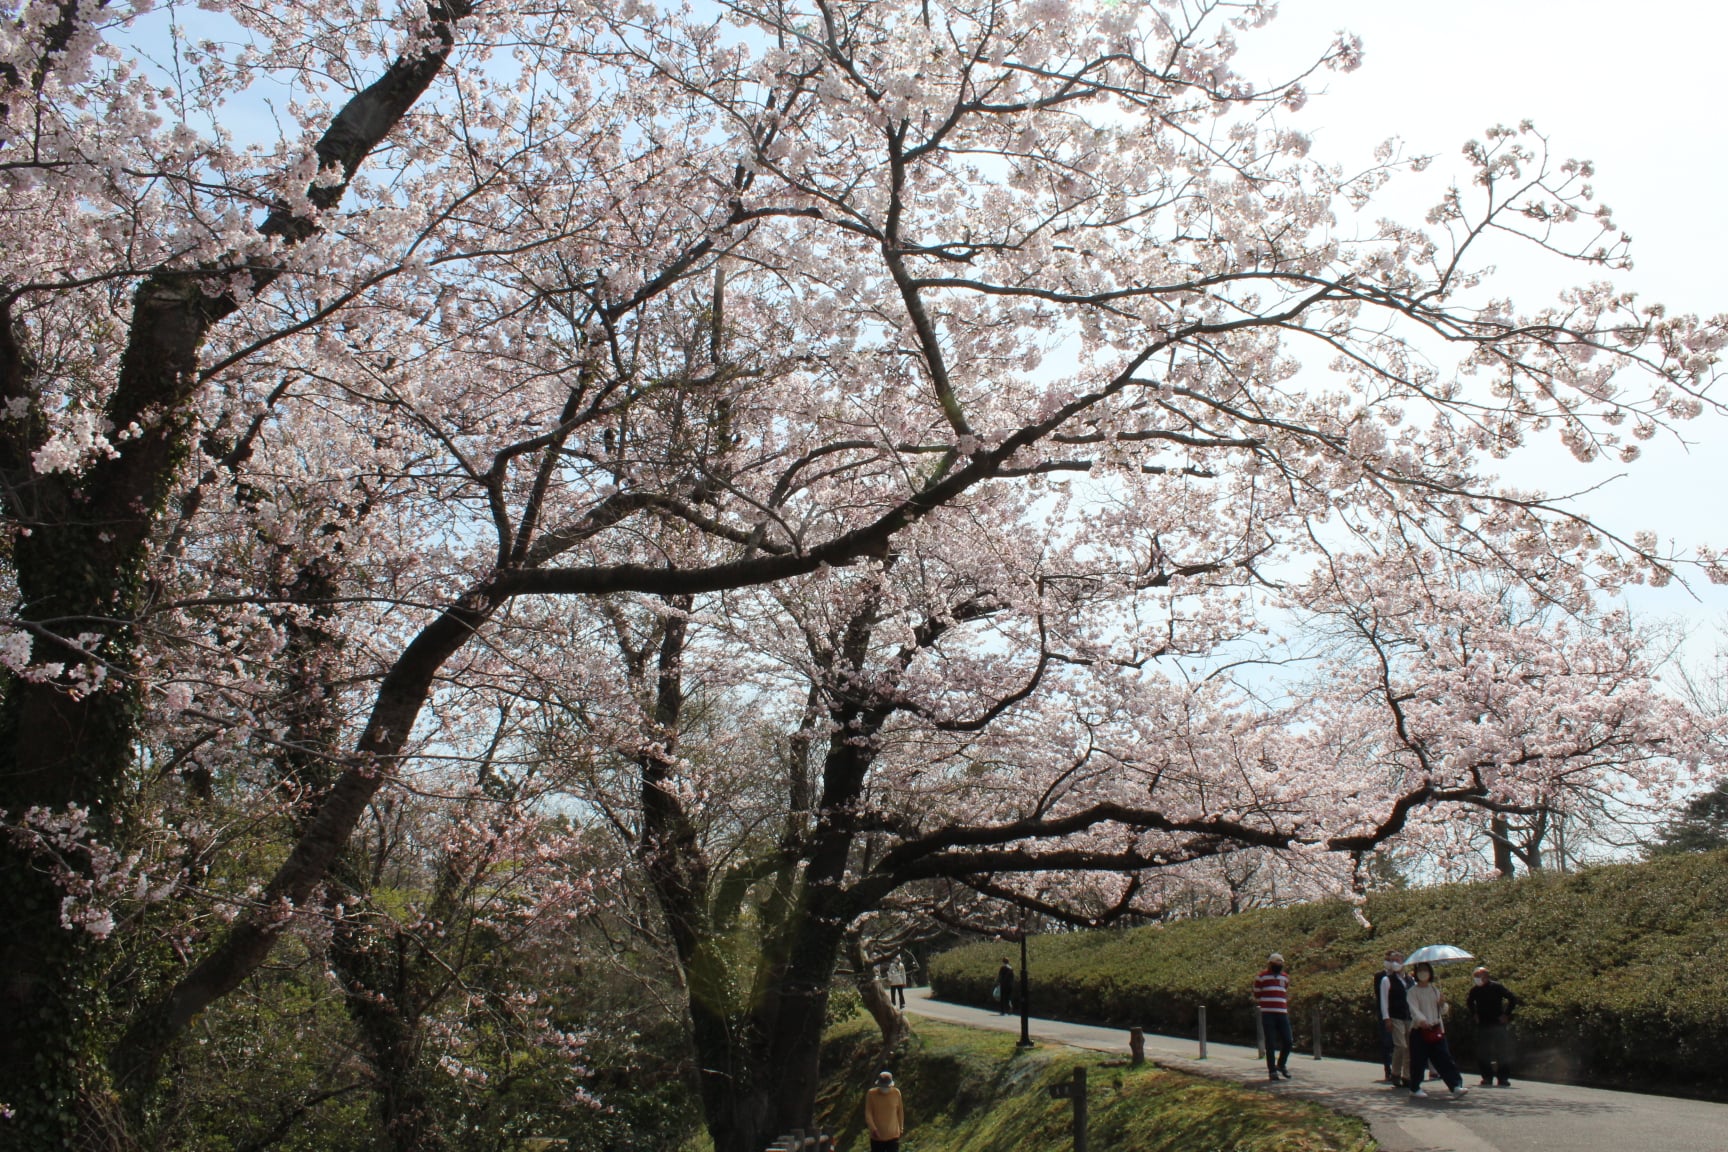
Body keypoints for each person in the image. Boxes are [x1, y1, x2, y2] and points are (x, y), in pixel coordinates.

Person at [1405, 961, 1467, 1099]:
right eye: (1420, 970)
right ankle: (1415, 1088)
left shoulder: (1434, 990)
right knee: (1418, 1061)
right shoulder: (1412, 992)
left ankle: (1455, 1085)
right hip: (1419, 1031)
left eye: (1425, 970)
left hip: (1436, 1029)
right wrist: (1422, 1021)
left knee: (1444, 1058)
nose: (1423, 973)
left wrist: (1442, 1003)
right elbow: (1414, 1010)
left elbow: (1443, 1011)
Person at [1466, 965, 1521, 1087]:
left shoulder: (1497, 987)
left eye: (1478, 976)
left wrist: (1506, 1014)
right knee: (1483, 1051)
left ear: (1485, 976)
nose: (1476, 979)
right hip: (1483, 1023)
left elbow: (1512, 999)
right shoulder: (1475, 990)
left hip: (1497, 1023)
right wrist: (1474, 1014)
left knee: (1502, 1051)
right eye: (1475, 977)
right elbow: (1469, 1002)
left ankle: (1503, 1078)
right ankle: (1487, 1077)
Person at [1376, 950, 1414, 1087]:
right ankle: (1396, 1073)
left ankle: (1407, 1075)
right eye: (1393, 961)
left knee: (1410, 1047)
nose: (1395, 964)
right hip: (1395, 1016)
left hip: (1409, 1016)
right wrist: (1386, 1018)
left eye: (1398, 961)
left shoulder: (1410, 980)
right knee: (1401, 1045)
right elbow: (1384, 1001)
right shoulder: (1387, 980)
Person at [1252, 952, 1293, 1081]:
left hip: (1282, 1012)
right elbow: (1257, 993)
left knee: (1288, 1040)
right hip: (1268, 1013)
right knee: (1270, 1042)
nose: (1278, 965)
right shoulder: (1261, 977)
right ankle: (1272, 1071)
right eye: (1276, 962)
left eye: (1280, 962)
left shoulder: (1285, 978)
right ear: (1270, 964)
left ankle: (1281, 1064)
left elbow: (1285, 990)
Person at [864, 1069, 905, 1152]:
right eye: (883, 1086)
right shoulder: (871, 1094)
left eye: (886, 1086)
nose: (884, 1089)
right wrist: (874, 1129)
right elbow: (868, 1114)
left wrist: (901, 1128)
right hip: (877, 1137)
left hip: (893, 1136)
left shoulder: (896, 1093)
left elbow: (900, 1111)